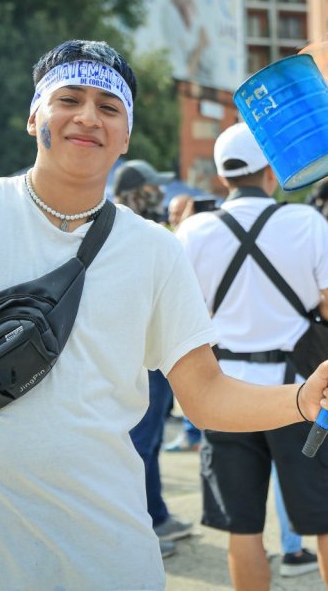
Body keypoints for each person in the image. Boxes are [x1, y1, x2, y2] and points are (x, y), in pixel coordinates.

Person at [0, 39, 328, 591]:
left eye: (109, 108)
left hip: (108, 562)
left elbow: (205, 395)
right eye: (69, 99)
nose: (88, 116)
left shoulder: (157, 248)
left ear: (125, 135)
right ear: (35, 115)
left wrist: (303, 399)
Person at [174, 122, 328, 591]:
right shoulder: (305, 223)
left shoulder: (190, 232)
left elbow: (182, 316)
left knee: (243, 528)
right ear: (270, 172)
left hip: (223, 394)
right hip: (301, 390)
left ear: (222, 177)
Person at [114, 159, 195, 559]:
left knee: (152, 442)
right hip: (137, 360)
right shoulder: (122, 231)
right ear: (137, 191)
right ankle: (138, 529)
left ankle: (156, 514)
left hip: (155, 356)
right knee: (139, 447)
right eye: (153, 188)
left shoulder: (146, 231)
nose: (160, 194)